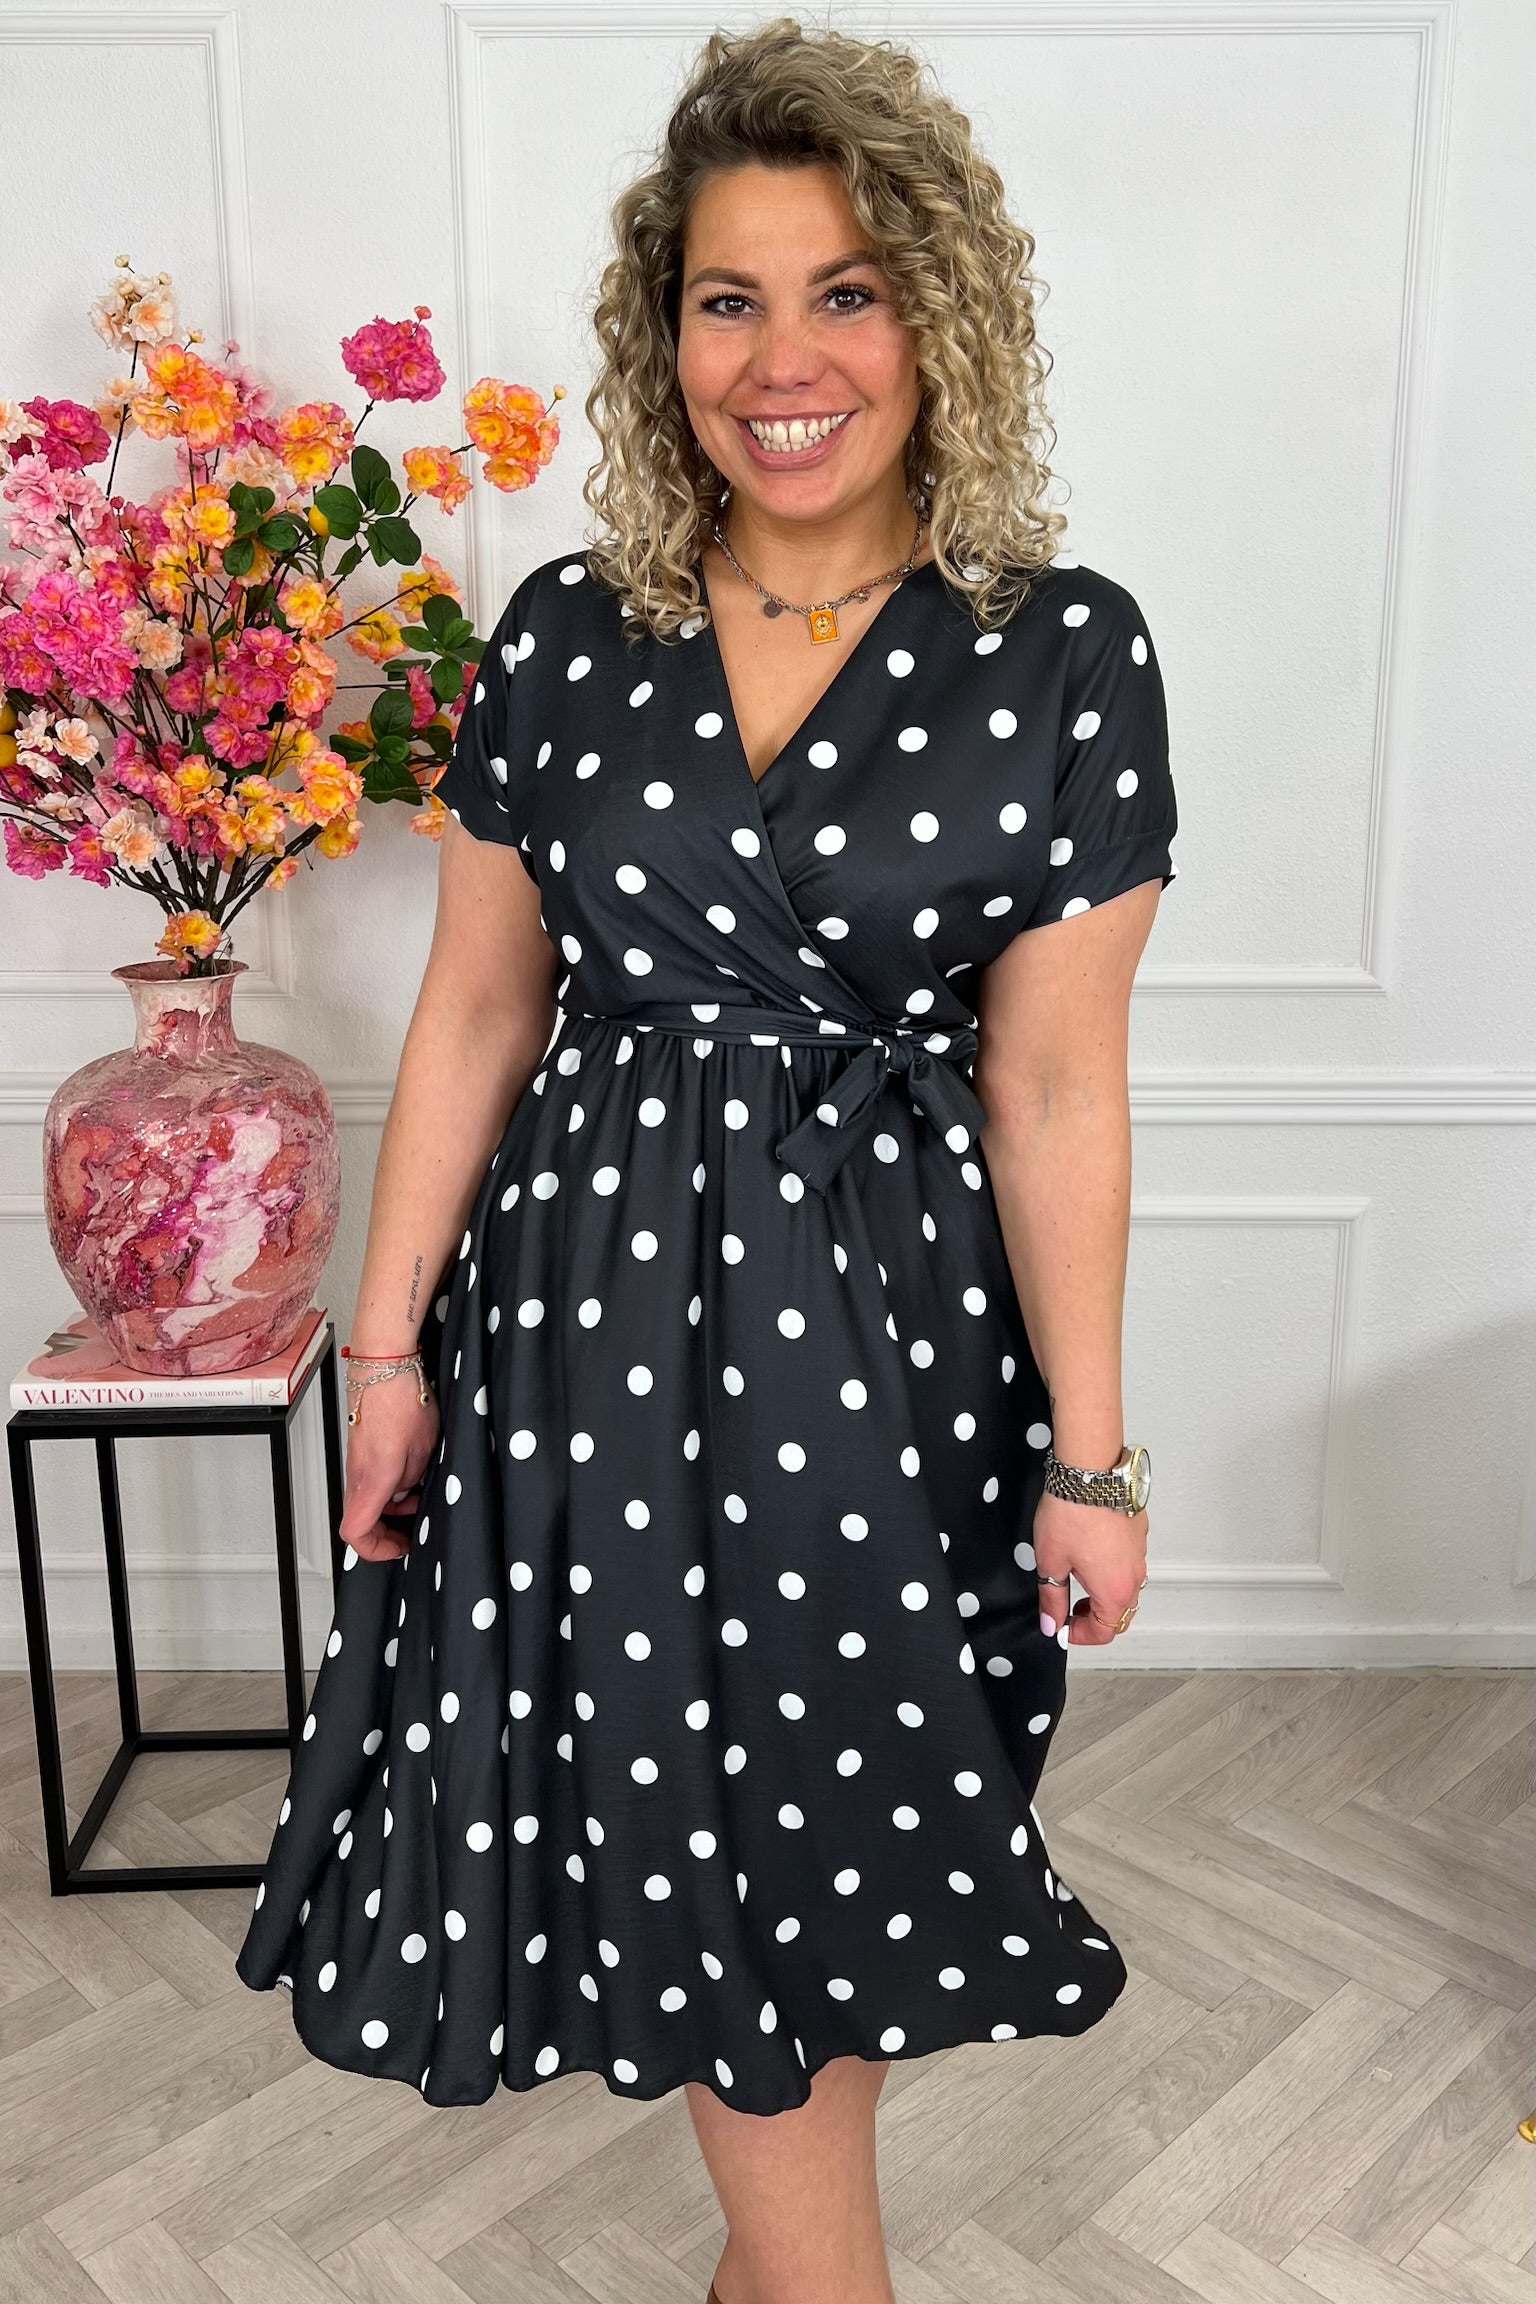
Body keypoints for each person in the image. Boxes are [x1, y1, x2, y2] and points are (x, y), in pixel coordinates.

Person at [236, 18, 1177, 2302]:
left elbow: (1057, 1086)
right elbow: (478, 1011)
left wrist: (1093, 1455)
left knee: (846, 1842)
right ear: (665, 339)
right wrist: (386, 1355)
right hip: (597, 1341)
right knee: (706, 1849)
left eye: (846, 291)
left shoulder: (1063, 653)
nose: (784, 360)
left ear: (939, 316)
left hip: (901, 1351)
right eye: (727, 299)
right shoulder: (573, 636)